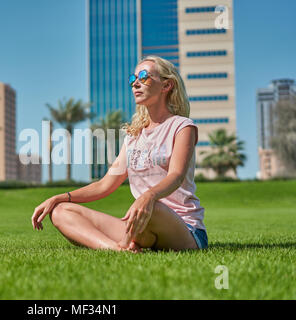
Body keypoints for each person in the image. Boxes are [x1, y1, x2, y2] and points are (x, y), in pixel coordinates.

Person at [31, 55, 208, 253]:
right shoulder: (133, 136)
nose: (136, 84)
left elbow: (176, 176)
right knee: (61, 212)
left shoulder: (182, 126)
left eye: (144, 77)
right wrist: (59, 197)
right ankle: (118, 249)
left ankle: (130, 238)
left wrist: (148, 197)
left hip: (183, 229)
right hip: (140, 221)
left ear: (166, 86)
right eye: (133, 80)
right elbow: (105, 185)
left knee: (154, 207)